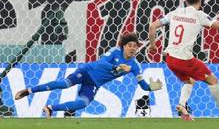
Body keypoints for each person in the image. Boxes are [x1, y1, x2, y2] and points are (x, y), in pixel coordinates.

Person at [149, 0, 219, 121]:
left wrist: (152, 45)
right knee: (212, 80)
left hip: (169, 58)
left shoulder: (175, 13)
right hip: (184, 59)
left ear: (186, 1)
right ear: (200, 2)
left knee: (189, 80)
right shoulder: (199, 15)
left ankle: (181, 105)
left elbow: (152, 26)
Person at [15, 33, 163, 117]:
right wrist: (117, 67)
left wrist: (151, 87)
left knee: (83, 103)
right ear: (123, 46)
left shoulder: (135, 66)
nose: (132, 48)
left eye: (135, 46)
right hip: (87, 71)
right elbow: (101, 63)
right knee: (64, 84)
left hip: (93, 84)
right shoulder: (114, 51)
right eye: (129, 45)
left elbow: (143, 85)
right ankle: (28, 91)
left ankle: (50, 108)